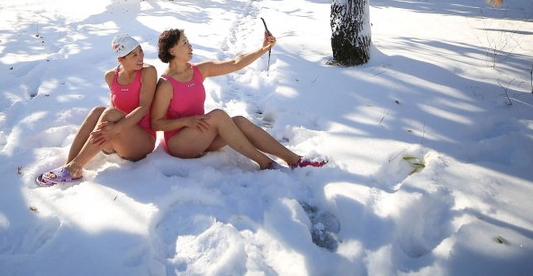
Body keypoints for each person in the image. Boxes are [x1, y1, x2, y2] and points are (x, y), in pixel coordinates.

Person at [151, 28, 326, 170]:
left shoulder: (198, 70)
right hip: (180, 144)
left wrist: (263, 49)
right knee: (219, 116)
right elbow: (156, 123)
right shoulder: (167, 84)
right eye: (184, 43)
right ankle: (265, 162)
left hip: (202, 134)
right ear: (172, 50)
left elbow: (235, 63)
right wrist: (186, 121)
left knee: (240, 122)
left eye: (188, 41)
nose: (190, 46)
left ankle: (294, 159)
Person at [36, 34, 158, 186]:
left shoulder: (148, 72)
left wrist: (115, 128)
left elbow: (143, 107)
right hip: (117, 140)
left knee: (109, 112)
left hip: (141, 142)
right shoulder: (110, 76)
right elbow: (114, 109)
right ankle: (71, 166)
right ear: (121, 59)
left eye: (141, 51)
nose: (140, 57)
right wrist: (111, 130)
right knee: (97, 111)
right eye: (134, 54)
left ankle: (75, 167)